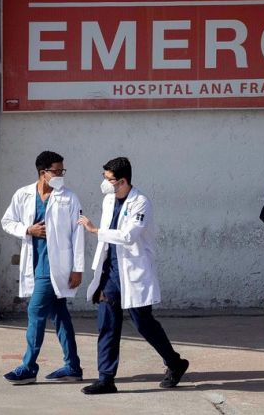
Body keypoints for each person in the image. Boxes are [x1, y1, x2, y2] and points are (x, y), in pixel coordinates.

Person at [78, 157, 189, 395]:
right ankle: (106, 379)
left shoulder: (141, 203)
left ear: (123, 181)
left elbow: (128, 236)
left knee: (143, 323)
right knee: (107, 324)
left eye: (108, 179)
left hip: (133, 272)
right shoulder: (109, 200)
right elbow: (111, 238)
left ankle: (175, 363)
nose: (104, 183)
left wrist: (96, 231)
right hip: (110, 273)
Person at [1, 151, 84, 384]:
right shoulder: (23, 194)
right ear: (42, 173)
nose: (60, 175)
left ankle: (28, 367)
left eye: (62, 171)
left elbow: (78, 235)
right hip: (35, 263)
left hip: (55, 267)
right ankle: (73, 367)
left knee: (35, 312)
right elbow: (7, 221)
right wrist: (28, 230)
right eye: (56, 171)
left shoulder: (69, 198)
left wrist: (78, 268)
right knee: (59, 316)